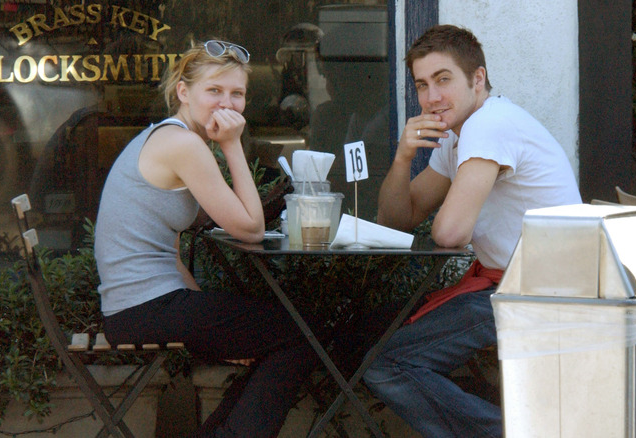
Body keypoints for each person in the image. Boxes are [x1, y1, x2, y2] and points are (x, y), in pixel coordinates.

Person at [362, 25, 582, 437]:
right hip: (513, 287)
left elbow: (449, 234)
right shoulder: (459, 136)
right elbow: (397, 219)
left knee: (388, 365)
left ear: (477, 79)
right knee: (380, 341)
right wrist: (402, 156)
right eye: (422, 85)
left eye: (443, 80)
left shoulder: (489, 124)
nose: (431, 98)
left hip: (543, 293)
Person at [94, 40, 318, 438]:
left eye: (237, 94)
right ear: (184, 91)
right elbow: (249, 228)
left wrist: (209, 323)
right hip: (142, 308)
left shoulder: (173, 138)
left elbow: (174, 256)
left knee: (281, 336)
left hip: (137, 307)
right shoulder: (183, 145)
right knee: (299, 335)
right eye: (214, 91)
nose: (226, 103)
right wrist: (232, 145)